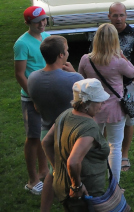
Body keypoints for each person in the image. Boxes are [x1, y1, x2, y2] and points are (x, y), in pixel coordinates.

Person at [28, 35, 83, 212]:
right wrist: (75, 74)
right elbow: (85, 106)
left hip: (47, 133)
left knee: (54, 173)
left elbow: (36, 107)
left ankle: (45, 209)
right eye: (66, 50)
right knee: (76, 174)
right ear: (61, 55)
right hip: (69, 135)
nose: (68, 53)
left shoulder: (33, 78)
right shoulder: (73, 79)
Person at [42, 79, 112, 212]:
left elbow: (46, 142)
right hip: (85, 193)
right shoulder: (88, 127)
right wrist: (77, 186)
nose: (102, 104)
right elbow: (73, 162)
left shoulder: (65, 115)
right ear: (87, 104)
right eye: (99, 101)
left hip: (62, 186)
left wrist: (57, 170)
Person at [107, 3, 134, 174]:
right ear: (109, 16)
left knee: (129, 120)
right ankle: (103, 154)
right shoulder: (102, 35)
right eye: (115, 15)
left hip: (127, 87)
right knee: (102, 120)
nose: (118, 18)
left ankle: (124, 155)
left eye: (121, 15)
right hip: (105, 86)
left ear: (126, 16)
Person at [14, 6, 51, 196]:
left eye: (44, 20)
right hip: (31, 98)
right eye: (38, 22)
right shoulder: (22, 43)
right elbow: (20, 74)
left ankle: (44, 171)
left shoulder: (46, 37)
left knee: (44, 135)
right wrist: (34, 96)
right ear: (28, 23)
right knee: (33, 137)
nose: (42, 24)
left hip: (46, 95)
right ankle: (32, 180)